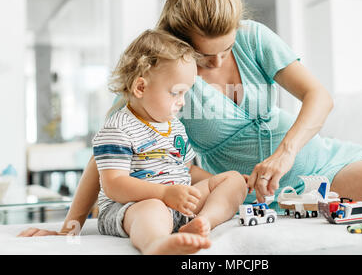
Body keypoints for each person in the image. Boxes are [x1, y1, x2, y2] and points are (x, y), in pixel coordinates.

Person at [19, 0, 362, 239]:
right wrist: (72, 220)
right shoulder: (166, 73)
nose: (220, 62)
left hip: (303, 151)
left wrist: (287, 151)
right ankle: (305, 199)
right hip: (261, 181)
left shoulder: (252, 36)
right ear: (182, 43)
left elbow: (319, 97)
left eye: (226, 49)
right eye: (206, 57)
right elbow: (110, 146)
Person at [20, 29, 248, 255]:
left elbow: (187, 170)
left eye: (185, 94)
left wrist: (215, 183)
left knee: (234, 179)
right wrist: (163, 195)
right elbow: (114, 183)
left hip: (179, 205)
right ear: (141, 87)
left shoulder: (175, 126)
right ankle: (155, 244)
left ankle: (202, 223)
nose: (182, 102)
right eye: (176, 93)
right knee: (152, 208)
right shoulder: (118, 128)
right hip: (132, 207)